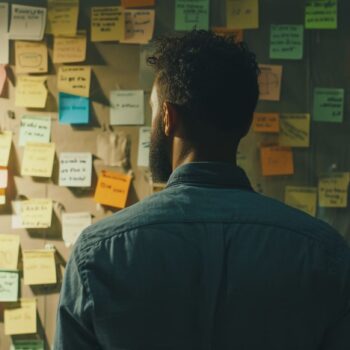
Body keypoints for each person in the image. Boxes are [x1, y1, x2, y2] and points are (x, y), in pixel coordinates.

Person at [54, 30, 350, 350]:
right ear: (246, 122)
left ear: (168, 117)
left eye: (155, 110)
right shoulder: (324, 253)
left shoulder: (97, 253)